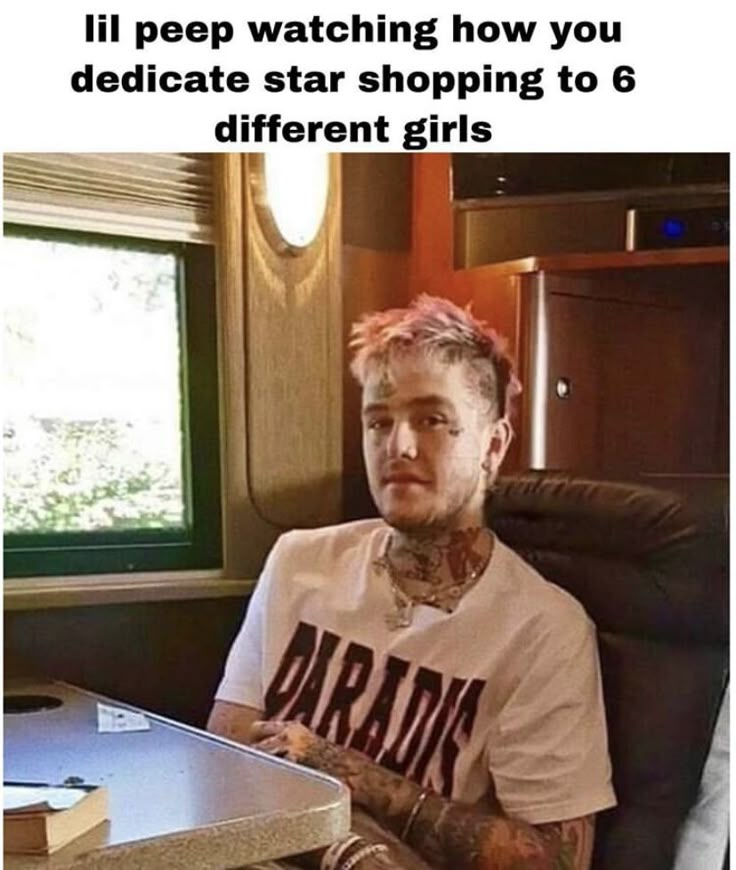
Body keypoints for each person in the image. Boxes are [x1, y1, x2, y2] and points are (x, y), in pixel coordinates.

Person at [208, 295, 616, 869]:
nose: (398, 446)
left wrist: (347, 771)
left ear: (493, 446)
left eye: (431, 419)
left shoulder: (546, 631)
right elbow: (227, 749)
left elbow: (554, 860)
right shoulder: (298, 561)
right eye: (380, 421)